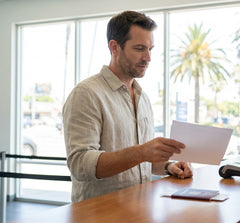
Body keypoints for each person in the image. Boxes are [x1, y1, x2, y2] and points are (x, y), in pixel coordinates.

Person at [63, 11, 193, 202]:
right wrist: (141, 152)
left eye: (150, 49)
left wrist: (167, 166)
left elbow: (140, 164)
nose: (148, 57)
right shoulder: (86, 94)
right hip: (98, 215)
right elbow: (80, 164)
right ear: (114, 47)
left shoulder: (143, 98)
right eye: (140, 48)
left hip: (139, 212)